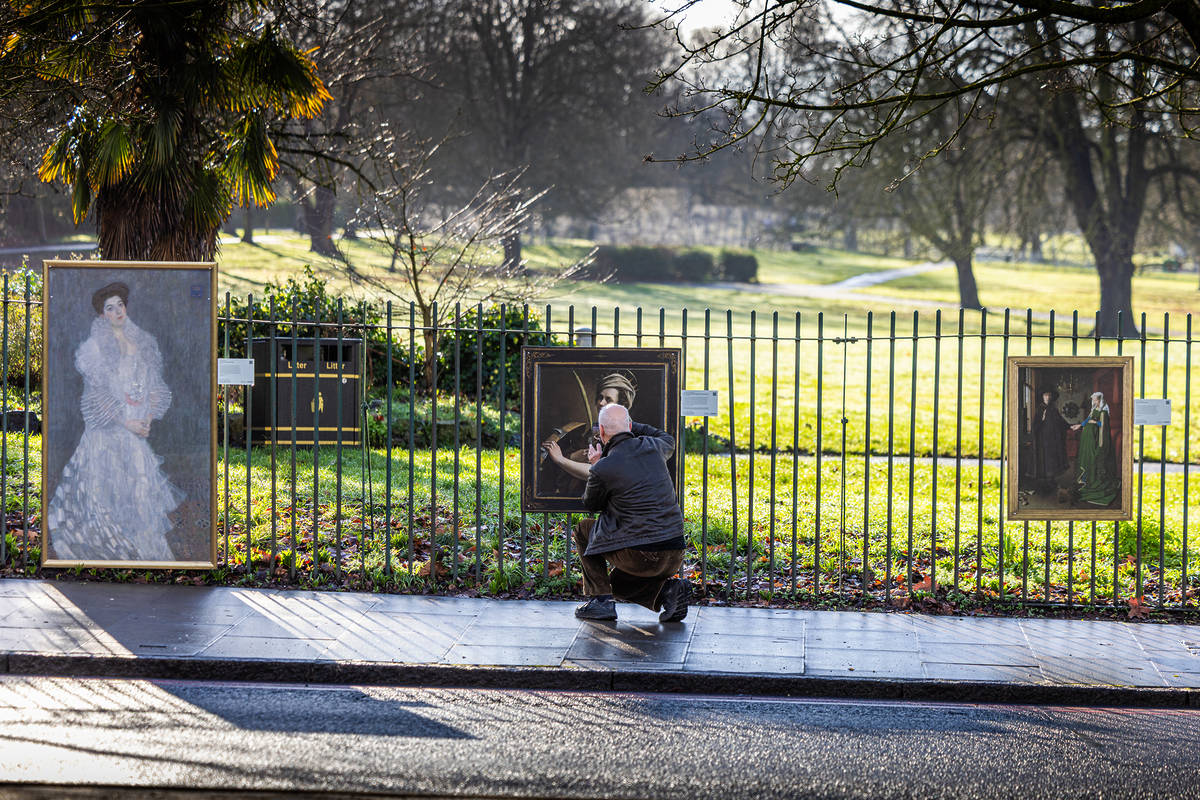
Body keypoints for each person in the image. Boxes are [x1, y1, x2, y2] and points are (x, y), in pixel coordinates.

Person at [47, 282, 184, 561]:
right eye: (110, 308)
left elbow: (154, 385)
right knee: (108, 493)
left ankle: (145, 554)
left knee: (139, 491)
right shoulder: (92, 349)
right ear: (102, 315)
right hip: (107, 434)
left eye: (120, 305)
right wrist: (126, 423)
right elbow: (95, 398)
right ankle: (113, 551)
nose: (117, 311)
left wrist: (146, 417)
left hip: (136, 431)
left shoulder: (143, 342)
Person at [571, 403, 689, 623]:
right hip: (675, 552)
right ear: (631, 426)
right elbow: (666, 437)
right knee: (615, 582)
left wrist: (597, 464)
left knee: (583, 529)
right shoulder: (656, 446)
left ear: (602, 432)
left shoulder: (603, 467)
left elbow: (591, 504)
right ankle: (668, 592)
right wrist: (628, 424)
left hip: (641, 555)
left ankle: (600, 602)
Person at [540, 371, 637, 495]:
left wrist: (561, 459)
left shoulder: (626, 435)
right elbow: (577, 452)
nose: (601, 403)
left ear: (621, 405)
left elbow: (600, 474)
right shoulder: (595, 430)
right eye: (600, 397)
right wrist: (573, 456)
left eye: (608, 399)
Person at [1070, 390, 1119, 507]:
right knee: (1086, 458)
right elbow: (1087, 420)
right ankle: (1087, 481)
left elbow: (1104, 426)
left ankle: (1094, 482)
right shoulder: (1094, 410)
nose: (1093, 401)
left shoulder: (1103, 412)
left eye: (1095, 399)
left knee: (1094, 459)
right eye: (1093, 399)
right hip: (1087, 440)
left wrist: (1095, 423)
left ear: (1099, 400)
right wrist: (1079, 426)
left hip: (1095, 440)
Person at [1031, 388, 1069, 490]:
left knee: (1053, 460)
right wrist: (1042, 420)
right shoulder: (1040, 409)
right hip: (1044, 440)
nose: (1048, 397)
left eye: (1049, 395)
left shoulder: (1053, 409)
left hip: (1053, 439)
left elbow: (1061, 421)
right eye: (1046, 395)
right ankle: (1047, 482)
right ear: (1043, 397)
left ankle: (1051, 480)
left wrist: (1070, 426)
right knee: (1046, 460)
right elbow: (1035, 426)